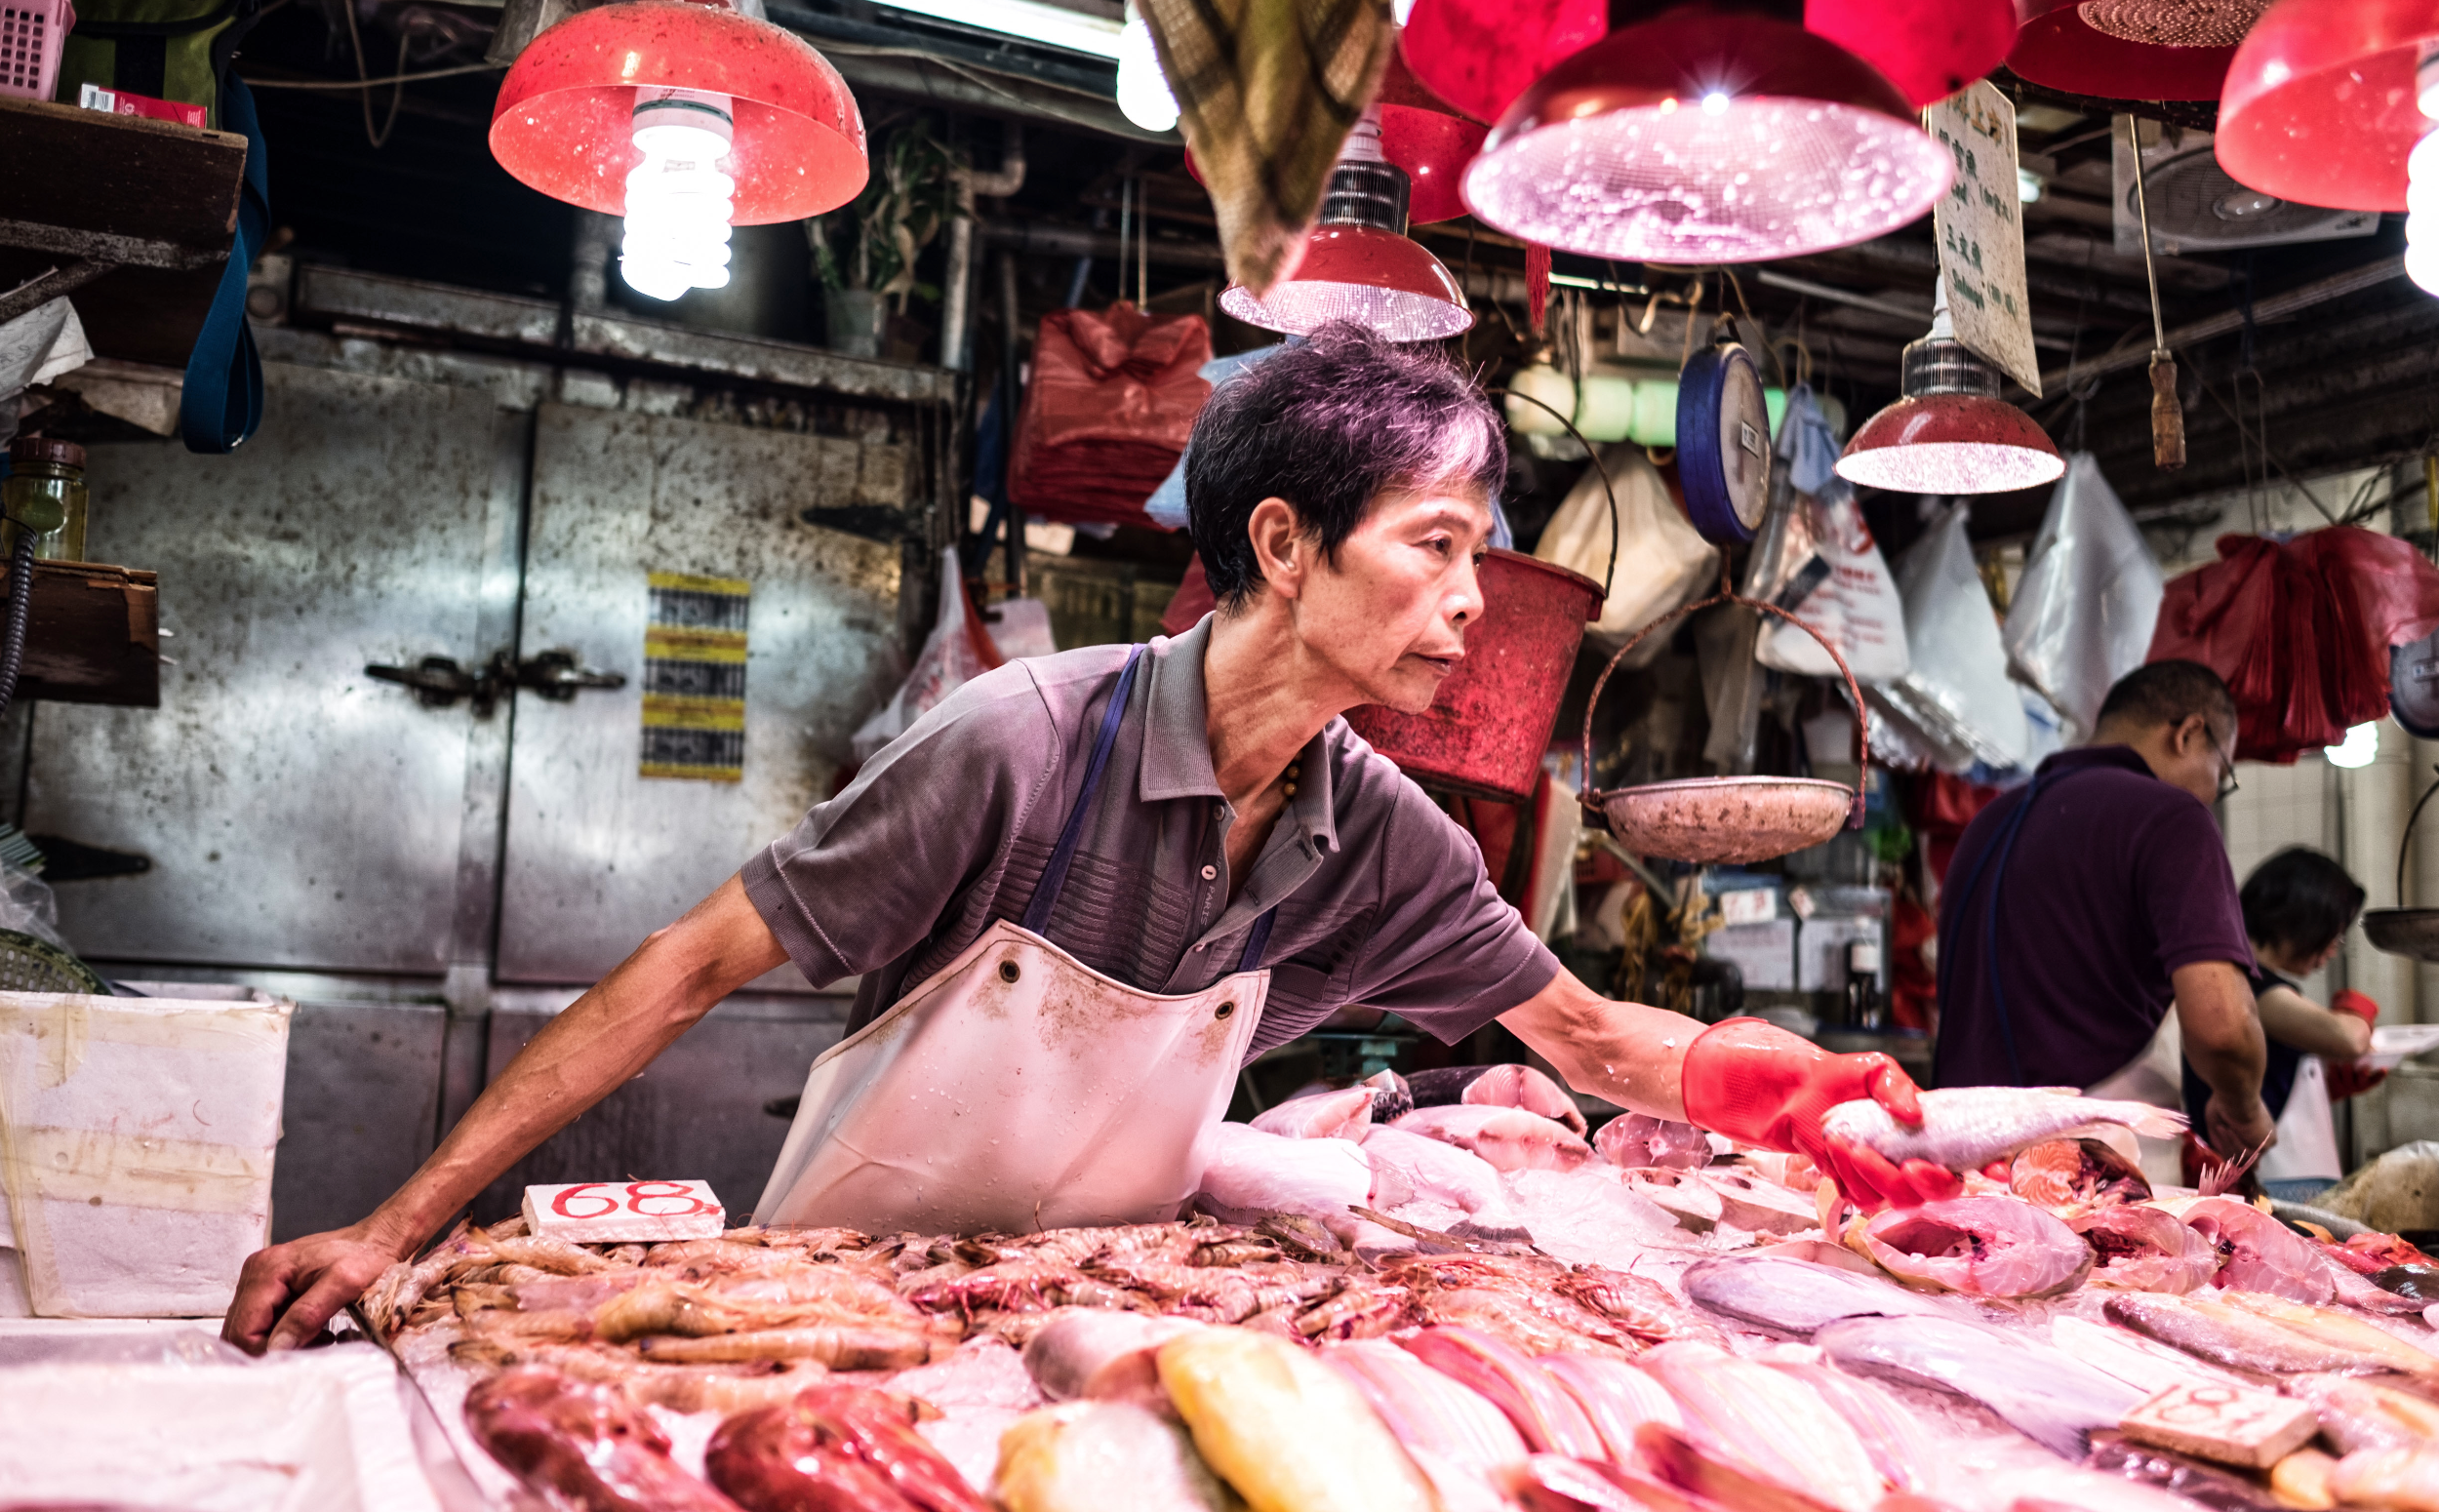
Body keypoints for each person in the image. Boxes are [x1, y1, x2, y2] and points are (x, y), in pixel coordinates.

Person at [222, 323, 1946, 1356]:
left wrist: (1766, 1084)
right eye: (1433, 545)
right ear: (1286, 544)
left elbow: (1575, 1033)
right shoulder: (1018, 743)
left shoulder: (1378, 830)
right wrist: (397, 1225)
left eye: (1478, 553)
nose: (1471, 605)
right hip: (847, 1309)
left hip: (1114, 1305)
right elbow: (689, 965)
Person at [1934, 659, 2272, 1165]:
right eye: (2221, 773)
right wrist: (2244, 1108)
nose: (2211, 792)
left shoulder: (1988, 824)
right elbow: (2222, 1027)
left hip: (1955, 1160)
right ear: (2188, 734)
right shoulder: (2172, 817)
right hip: (2090, 1169)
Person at [2182, 847, 2376, 1203]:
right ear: (2304, 919)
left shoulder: (2248, 982)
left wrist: (2324, 1086)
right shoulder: (2252, 988)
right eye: (2334, 932)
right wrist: (2358, 1011)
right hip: (2252, 1181)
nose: (2334, 948)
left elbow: (2262, 1078)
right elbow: (2347, 1038)